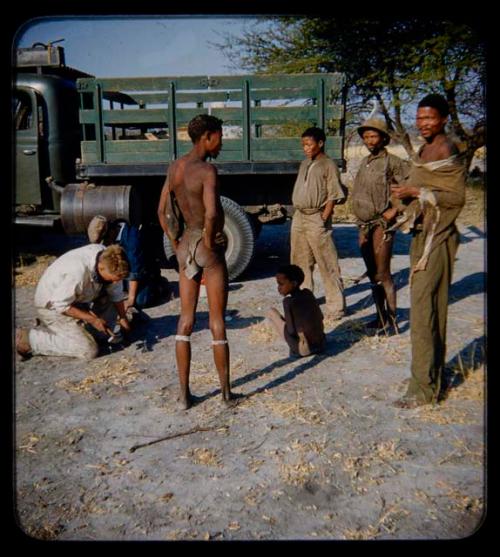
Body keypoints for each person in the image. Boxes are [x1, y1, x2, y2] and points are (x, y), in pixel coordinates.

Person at [157, 114, 240, 410]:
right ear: (207, 136)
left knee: (186, 320)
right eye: (220, 136)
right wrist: (209, 241)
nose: (221, 142)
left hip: (184, 246)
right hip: (205, 246)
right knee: (217, 322)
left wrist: (177, 242)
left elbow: (162, 211)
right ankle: (226, 394)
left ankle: (184, 396)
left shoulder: (175, 168)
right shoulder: (207, 170)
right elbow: (211, 212)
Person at [390, 93, 466, 408]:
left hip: (439, 238)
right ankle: (430, 377)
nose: (423, 124)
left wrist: (416, 191)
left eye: (430, 118)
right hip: (424, 236)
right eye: (420, 118)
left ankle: (423, 389)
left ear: (444, 119)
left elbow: (456, 198)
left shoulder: (447, 149)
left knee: (424, 311)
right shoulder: (424, 149)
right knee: (429, 310)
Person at [15, 243, 132, 360]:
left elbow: (116, 294)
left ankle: (89, 331)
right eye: (112, 279)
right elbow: (60, 305)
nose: (116, 282)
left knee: (102, 335)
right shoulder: (78, 271)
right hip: (52, 305)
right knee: (88, 350)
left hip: (78, 299)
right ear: (101, 268)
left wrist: (122, 318)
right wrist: (92, 319)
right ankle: (29, 339)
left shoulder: (109, 258)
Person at [351, 112, 408, 333]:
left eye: (374, 136)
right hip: (364, 225)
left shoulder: (392, 162)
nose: (369, 141)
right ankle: (380, 318)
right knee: (372, 275)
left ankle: (392, 321)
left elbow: (413, 186)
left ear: (384, 139)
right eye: (366, 137)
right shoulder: (365, 162)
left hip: (381, 226)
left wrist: (395, 210)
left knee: (383, 274)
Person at [290, 127, 346, 320]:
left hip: (316, 217)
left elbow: (333, 193)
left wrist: (324, 216)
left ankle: (336, 306)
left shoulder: (328, 164)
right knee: (300, 261)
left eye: (308, 144)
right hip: (299, 217)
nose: (305, 148)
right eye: (303, 145)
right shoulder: (305, 163)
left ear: (320, 143)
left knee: (326, 261)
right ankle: (305, 301)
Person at [87, 216, 169, 312]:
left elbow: (135, 271)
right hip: (124, 272)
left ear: (111, 232)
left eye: (105, 241)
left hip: (143, 273)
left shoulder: (132, 239)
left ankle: (159, 285)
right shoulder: (113, 237)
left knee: (140, 301)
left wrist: (130, 299)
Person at [266, 264, 326, 357]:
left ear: (293, 283)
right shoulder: (308, 293)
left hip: (304, 349)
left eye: (281, 284)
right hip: (321, 344)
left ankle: (294, 351)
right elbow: (321, 316)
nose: (279, 288)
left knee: (271, 312)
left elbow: (291, 331)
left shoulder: (288, 302)